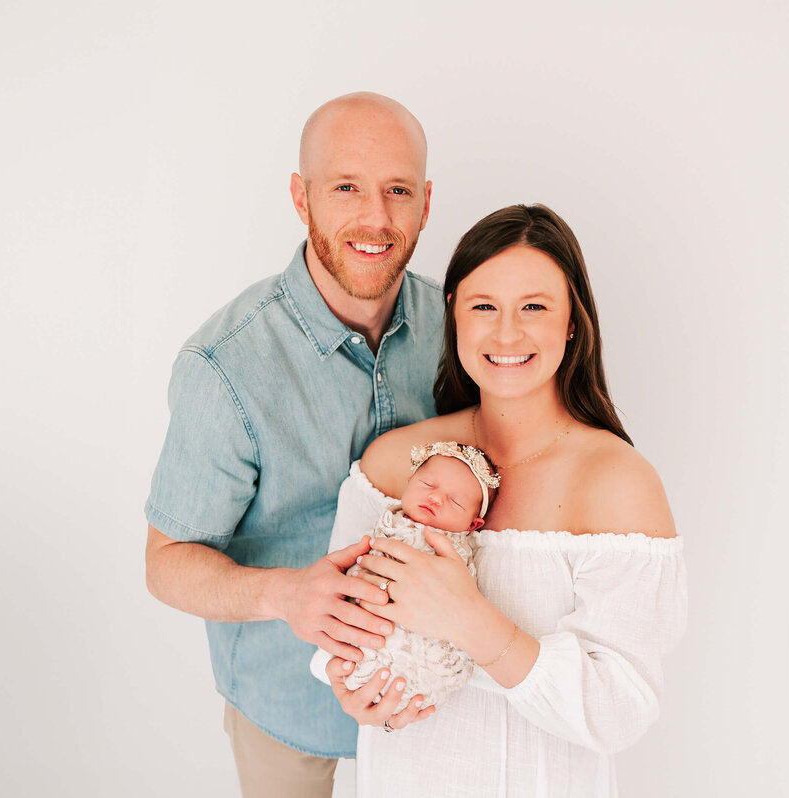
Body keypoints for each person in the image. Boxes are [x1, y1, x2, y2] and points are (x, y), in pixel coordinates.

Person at [322, 204, 688, 797]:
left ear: (573, 322)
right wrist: (348, 686)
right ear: (454, 316)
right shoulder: (393, 465)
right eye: (484, 306)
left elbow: (621, 709)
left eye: (535, 307)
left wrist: (472, 624)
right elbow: (336, 622)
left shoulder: (618, 483)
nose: (508, 333)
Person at [143, 92, 444, 798]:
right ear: (300, 197)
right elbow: (165, 564)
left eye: (397, 190)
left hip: (428, 698)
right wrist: (285, 595)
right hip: (285, 705)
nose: (375, 218)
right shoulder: (224, 367)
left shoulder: (461, 326)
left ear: (426, 203)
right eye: (345, 187)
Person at [326, 441, 500, 710]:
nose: (436, 498)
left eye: (455, 501)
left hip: (425, 638)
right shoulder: (385, 524)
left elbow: (462, 596)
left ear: (472, 524)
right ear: (408, 483)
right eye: (427, 485)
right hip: (368, 627)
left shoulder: (456, 553)